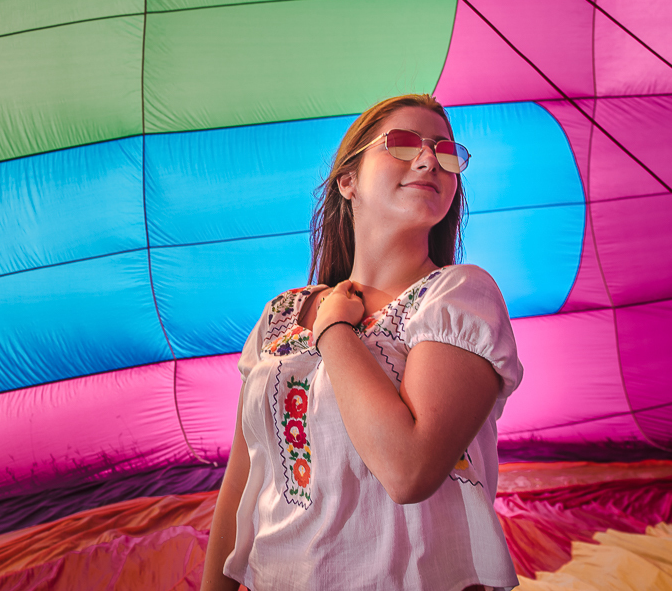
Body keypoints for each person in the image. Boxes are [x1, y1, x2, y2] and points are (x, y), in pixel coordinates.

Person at [200, 94, 523, 591]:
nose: (428, 160)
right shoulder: (280, 314)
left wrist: (335, 331)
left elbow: (408, 471)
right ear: (347, 181)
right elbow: (242, 478)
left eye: (445, 151)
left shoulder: (459, 296)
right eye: (403, 143)